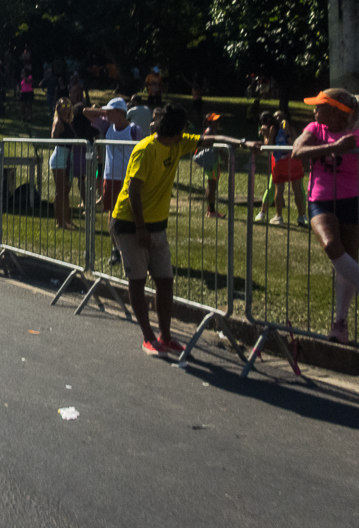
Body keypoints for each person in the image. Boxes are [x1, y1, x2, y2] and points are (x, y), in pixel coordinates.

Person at [111, 105, 258, 356]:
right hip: (130, 224)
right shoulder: (145, 150)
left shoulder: (178, 144)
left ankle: (165, 336)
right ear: (177, 129)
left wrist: (242, 142)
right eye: (184, 129)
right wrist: (141, 228)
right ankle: (148, 338)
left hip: (158, 225)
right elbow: (133, 191)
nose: (187, 133)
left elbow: (212, 138)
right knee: (137, 281)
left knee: (165, 281)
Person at [292, 88, 359, 344]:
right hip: (320, 199)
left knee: (348, 261)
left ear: (335, 110)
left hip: (352, 199)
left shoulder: (356, 133)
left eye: (319, 106)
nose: (314, 110)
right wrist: (333, 146)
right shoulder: (314, 129)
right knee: (332, 245)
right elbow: (297, 151)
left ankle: (339, 324)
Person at [85, 97, 144, 264]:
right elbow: (85, 112)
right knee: (112, 212)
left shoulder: (134, 130)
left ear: (121, 113)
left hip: (129, 178)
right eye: (107, 112)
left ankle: (133, 247)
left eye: (112, 112)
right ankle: (116, 248)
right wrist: (107, 112)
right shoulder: (107, 127)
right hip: (110, 177)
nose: (108, 115)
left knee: (132, 211)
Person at [257, 110, 308, 227]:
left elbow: (294, 144)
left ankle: (302, 216)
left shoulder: (290, 129)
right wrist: (269, 135)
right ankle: (278, 216)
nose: (278, 120)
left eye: (281, 117)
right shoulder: (271, 130)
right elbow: (268, 148)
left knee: (297, 189)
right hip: (279, 162)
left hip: (292, 160)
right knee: (278, 189)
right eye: (276, 118)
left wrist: (287, 132)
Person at [49, 98, 77, 230]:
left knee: (66, 191)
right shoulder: (58, 121)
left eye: (68, 105)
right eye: (63, 105)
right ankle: (60, 222)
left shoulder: (69, 122)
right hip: (60, 157)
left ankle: (67, 220)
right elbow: (54, 138)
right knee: (60, 192)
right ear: (58, 108)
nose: (66, 107)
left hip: (67, 157)